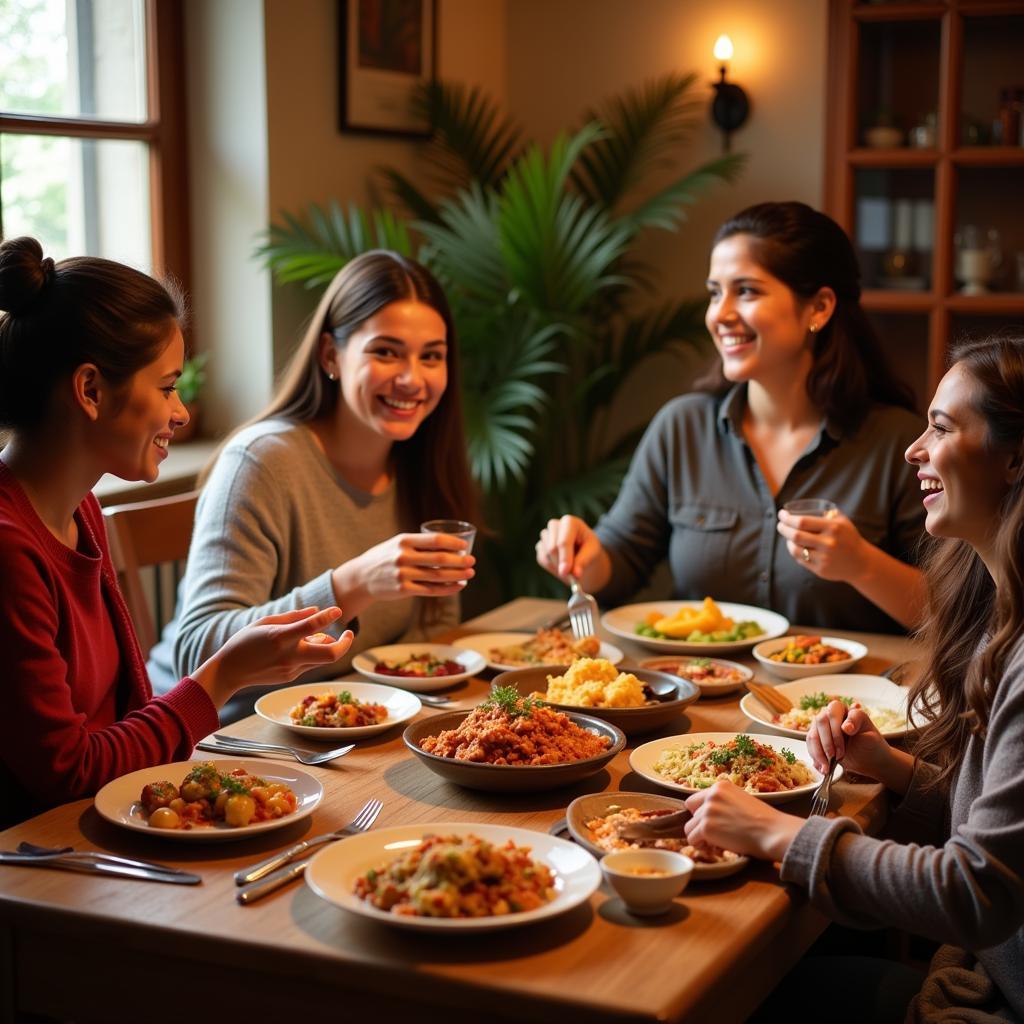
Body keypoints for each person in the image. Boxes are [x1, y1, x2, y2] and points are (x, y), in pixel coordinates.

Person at [682, 336, 1024, 1021]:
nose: (914, 450)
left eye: (942, 426)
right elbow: (999, 828)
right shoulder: (997, 614)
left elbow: (975, 891)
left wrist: (776, 835)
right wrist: (892, 768)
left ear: (1016, 458)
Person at [0, 237, 353, 828]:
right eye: (166, 387)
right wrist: (222, 675)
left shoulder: (80, 508)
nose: (181, 411)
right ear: (89, 391)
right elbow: (64, 774)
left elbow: (127, 714)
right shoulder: (11, 549)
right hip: (36, 864)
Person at [535, 201, 926, 632]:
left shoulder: (900, 444)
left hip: (849, 698)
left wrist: (862, 566)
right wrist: (581, 555)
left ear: (819, 308)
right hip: (698, 693)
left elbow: (960, 616)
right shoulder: (681, 427)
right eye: (715, 292)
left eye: (746, 291)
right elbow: (621, 559)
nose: (719, 315)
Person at [148, 250, 478, 706]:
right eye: (386, 351)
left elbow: (432, 640)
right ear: (331, 355)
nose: (411, 379)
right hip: (217, 735)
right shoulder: (263, 461)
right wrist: (351, 584)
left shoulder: (426, 462)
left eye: (432, 357)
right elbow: (197, 652)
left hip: (344, 728)